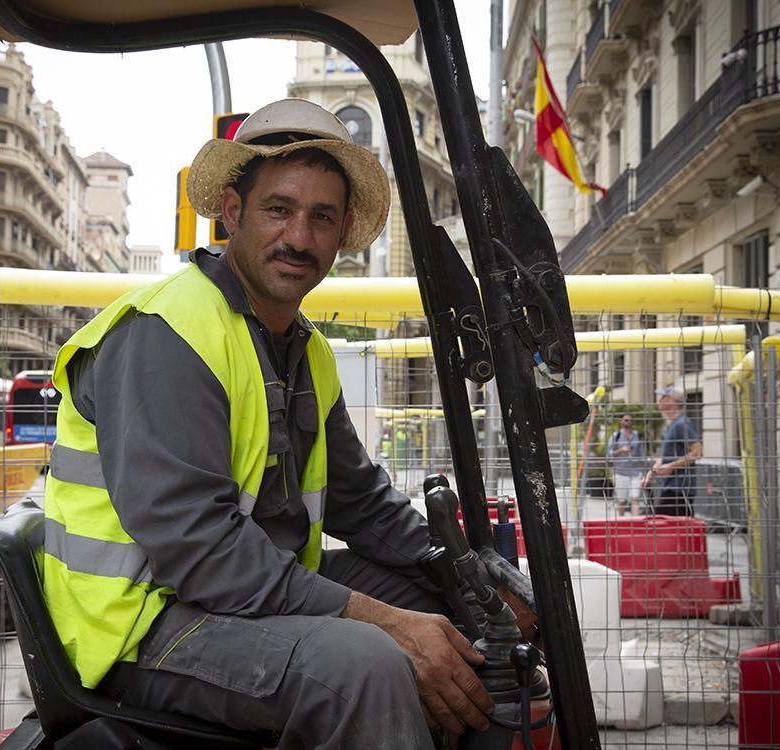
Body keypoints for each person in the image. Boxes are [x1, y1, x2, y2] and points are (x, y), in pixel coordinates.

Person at [41, 99, 493, 749]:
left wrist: (463, 567)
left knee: (448, 607)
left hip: (242, 596)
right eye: (279, 209)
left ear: (342, 235)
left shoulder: (302, 350)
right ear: (232, 214)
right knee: (366, 666)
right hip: (149, 623)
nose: (299, 238)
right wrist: (382, 622)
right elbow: (199, 548)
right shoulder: (169, 334)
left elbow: (358, 502)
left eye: (321, 217)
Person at [642, 387, 702, 516]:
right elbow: (663, 457)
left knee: (661, 525)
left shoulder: (682, 424)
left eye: (663, 397)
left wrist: (670, 466)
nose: (660, 400)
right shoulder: (671, 426)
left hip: (681, 487)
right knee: (669, 528)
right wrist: (650, 474)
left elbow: (696, 452)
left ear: (673, 401)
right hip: (671, 486)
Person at [606, 413, 646, 515]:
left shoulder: (637, 435)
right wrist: (621, 450)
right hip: (620, 472)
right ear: (621, 421)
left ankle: (636, 524)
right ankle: (622, 522)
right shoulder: (616, 436)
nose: (627, 422)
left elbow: (642, 455)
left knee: (635, 498)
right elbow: (609, 454)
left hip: (635, 472)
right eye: (625, 420)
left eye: (629, 420)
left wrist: (645, 471)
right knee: (621, 501)